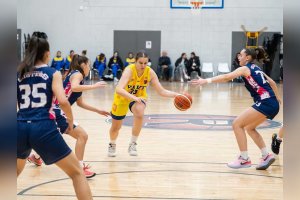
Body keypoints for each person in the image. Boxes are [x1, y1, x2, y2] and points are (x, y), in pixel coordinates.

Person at [17, 32, 93, 199]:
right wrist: (70, 120)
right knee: (77, 174)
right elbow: (63, 102)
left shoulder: (19, 73)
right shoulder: (53, 73)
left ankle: (35, 157)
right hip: (43, 127)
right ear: (47, 53)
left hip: (20, 126)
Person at [190, 47, 281, 170]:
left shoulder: (245, 68)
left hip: (266, 102)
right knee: (249, 128)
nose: (238, 57)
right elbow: (272, 83)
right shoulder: (256, 68)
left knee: (237, 124)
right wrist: (277, 99)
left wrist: (206, 80)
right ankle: (266, 156)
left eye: (241, 55)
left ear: (247, 58)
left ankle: (244, 159)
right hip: (271, 103)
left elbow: (227, 77)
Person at [27, 54, 110, 178]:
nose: (89, 67)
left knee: (49, 139)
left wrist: (98, 110)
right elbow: (75, 87)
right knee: (82, 135)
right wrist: (94, 86)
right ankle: (80, 168)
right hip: (57, 110)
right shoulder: (78, 74)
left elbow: (80, 103)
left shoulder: (75, 75)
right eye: (89, 65)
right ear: (83, 65)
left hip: (54, 110)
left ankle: (36, 157)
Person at [107, 52, 180, 157]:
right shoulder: (129, 70)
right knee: (116, 127)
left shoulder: (150, 72)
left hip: (138, 97)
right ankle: (112, 144)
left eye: (145, 63)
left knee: (140, 112)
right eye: (140, 63)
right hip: (123, 97)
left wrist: (177, 95)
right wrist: (134, 97)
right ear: (135, 62)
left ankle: (133, 143)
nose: (143, 65)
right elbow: (118, 89)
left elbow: (161, 91)